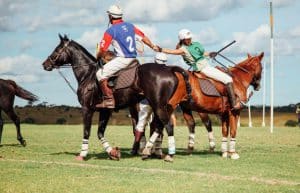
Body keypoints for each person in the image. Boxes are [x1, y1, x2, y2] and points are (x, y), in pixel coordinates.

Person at [156, 29, 241, 110]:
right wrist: (161, 49)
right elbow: (172, 52)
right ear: (182, 40)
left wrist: (210, 53)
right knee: (228, 79)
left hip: (207, 66)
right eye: (187, 39)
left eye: (190, 38)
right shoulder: (183, 49)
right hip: (203, 68)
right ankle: (233, 104)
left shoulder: (194, 45)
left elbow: (202, 54)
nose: (189, 40)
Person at [96, 5, 157, 108]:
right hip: (134, 59)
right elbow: (143, 37)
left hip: (122, 60)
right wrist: (152, 46)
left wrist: (98, 57)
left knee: (99, 74)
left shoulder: (111, 30)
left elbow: (102, 49)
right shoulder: (130, 26)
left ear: (110, 16)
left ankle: (109, 100)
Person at [134, 52, 169, 156]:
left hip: (146, 102)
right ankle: (157, 150)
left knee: (141, 125)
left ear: (155, 60)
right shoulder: (167, 74)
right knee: (159, 125)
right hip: (161, 104)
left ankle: (140, 148)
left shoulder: (147, 72)